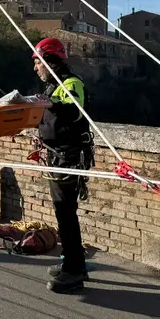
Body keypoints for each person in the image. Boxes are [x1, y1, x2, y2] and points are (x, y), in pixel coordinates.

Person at [32, 37, 94, 294]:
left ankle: (74, 271)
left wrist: (49, 104)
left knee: (66, 213)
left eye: (37, 63)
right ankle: (72, 261)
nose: (35, 69)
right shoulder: (52, 88)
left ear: (48, 61)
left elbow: (74, 110)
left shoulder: (71, 83)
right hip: (57, 155)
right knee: (63, 212)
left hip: (69, 157)